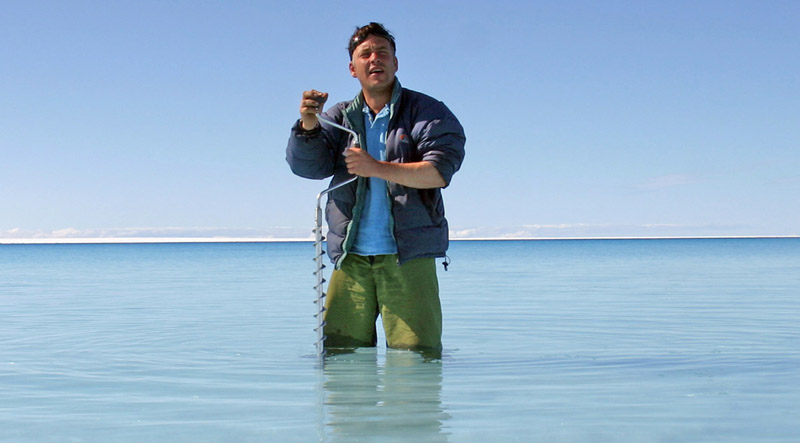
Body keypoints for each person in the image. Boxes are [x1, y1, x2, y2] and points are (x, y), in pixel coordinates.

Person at [286, 22, 465, 355]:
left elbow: (439, 171)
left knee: (417, 365)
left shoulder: (428, 112)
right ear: (353, 69)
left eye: (383, 52)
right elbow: (308, 167)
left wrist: (376, 168)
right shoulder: (338, 116)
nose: (375, 59)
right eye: (365, 54)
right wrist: (308, 126)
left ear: (396, 63)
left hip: (408, 259)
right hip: (349, 258)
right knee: (341, 365)